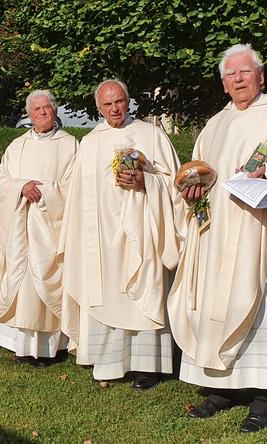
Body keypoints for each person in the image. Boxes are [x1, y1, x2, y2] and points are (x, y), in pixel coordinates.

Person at [169, 44, 267, 432]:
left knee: (262, 305)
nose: (238, 79)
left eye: (245, 72)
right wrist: (192, 193)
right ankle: (220, 389)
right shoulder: (214, 125)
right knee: (215, 304)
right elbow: (200, 173)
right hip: (216, 234)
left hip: (262, 230)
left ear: (261, 76)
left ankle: (263, 396)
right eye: (231, 75)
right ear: (223, 84)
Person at [59, 80, 180, 388]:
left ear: (129, 101)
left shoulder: (151, 135)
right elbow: (77, 194)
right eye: (107, 104)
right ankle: (108, 360)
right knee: (107, 291)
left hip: (142, 231)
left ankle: (146, 367)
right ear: (98, 108)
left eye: (119, 102)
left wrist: (146, 183)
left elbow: (173, 183)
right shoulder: (89, 143)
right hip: (100, 235)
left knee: (144, 289)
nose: (114, 109)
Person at [0, 90, 77, 364]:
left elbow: (74, 187)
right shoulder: (17, 146)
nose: (42, 112)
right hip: (21, 228)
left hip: (50, 228)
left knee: (50, 278)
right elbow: (0, 181)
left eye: (47, 108)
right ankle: (22, 346)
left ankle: (51, 346)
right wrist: (22, 187)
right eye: (36, 109)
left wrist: (46, 193)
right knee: (23, 282)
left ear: (55, 111)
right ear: (29, 115)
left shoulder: (71, 145)